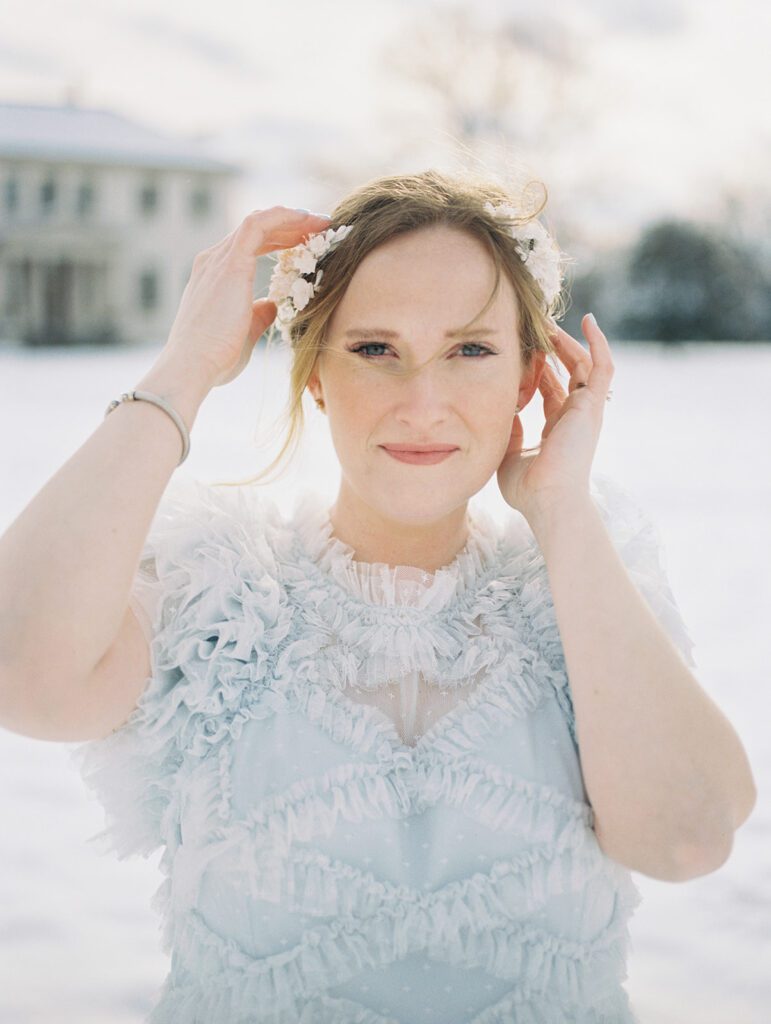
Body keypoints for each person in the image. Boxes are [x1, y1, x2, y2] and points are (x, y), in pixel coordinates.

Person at [0, 169, 756, 1024]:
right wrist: (182, 372)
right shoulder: (217, 597)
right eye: (373, 349)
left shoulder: (580, 596)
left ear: (526, 379)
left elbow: (687, 837)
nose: (422, 403)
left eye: (469, 349)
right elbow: (21, 669)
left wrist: (561, 513)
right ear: (315, 374)